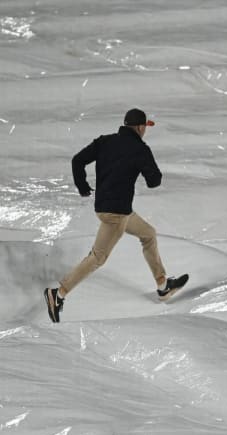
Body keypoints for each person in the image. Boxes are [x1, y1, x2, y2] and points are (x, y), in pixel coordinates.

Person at [44, 108, 188, 323]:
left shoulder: (105, 141)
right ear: (140, 127)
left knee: (148, 234)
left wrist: (83, 187)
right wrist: (145, 163)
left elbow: (77, 160)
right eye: (145, 127)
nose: (145, 131)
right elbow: (154, 181)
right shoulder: (140, 149)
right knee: (98, 258)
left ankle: (163, 285)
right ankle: (59, 294)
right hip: (116, 215)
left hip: (107, 207)